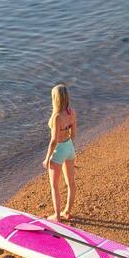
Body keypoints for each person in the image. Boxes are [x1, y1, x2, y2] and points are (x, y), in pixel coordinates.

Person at [43, 84, 77, 222]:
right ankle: (67, 211)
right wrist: (70, 149)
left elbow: (53, 141)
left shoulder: (57, 117)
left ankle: (57, 216)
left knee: (55, 186)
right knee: (71, 183)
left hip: (59, 150)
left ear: (55, 99)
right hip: (69, 147)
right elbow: (73, 134)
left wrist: (47, 158)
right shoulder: (72, 112)